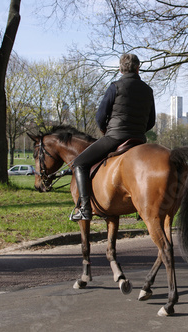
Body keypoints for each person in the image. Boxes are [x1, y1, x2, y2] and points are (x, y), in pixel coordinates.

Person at [70, 54, 156, 221]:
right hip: (138, 141)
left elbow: (100, 116)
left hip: (115, 137)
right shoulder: (148, 90)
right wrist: (138, 131)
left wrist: (105, 130)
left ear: (120, 69)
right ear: (138, 68)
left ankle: (85, 209)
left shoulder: (115, 86)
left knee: (79, 163)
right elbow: (151, 121)